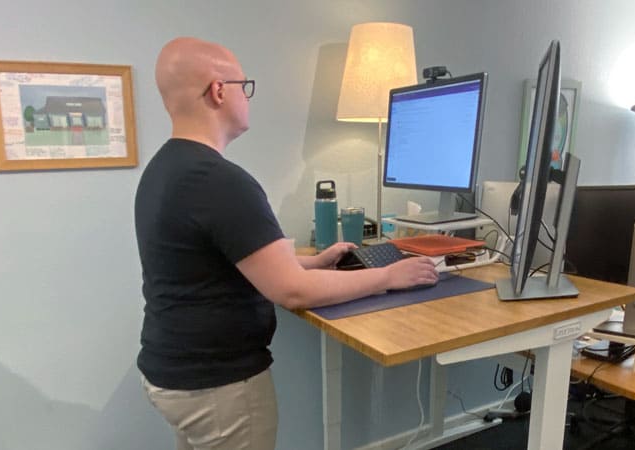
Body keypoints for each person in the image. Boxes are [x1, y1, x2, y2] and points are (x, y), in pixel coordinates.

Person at [134, 37, 439, 450]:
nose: (248, 97)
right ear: (219, 91)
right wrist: (388, 276)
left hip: (173, 375)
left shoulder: (165, 169)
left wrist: (314, 262)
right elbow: (291, 291)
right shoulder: (221, 181)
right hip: (220, 386)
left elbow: (224, 262)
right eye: (246, 86)